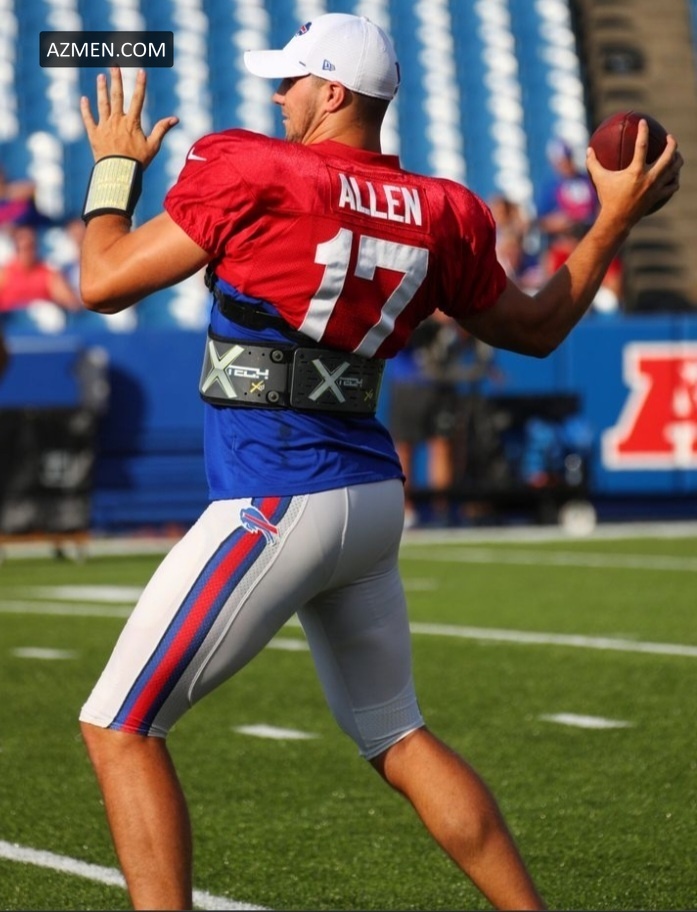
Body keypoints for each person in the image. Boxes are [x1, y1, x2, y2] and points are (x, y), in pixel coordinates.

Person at [75, 13, 681, 912]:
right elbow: (537, 327)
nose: (277, 96)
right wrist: (613, 220)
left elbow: (101, 280)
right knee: (397, 735)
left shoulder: (255, 168)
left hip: (276, 493)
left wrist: (114, 168)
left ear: (332, 92)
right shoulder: (442, 210)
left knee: (119, 726)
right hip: (366, 495)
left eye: (291, 80)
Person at [0, 224, 81, 316]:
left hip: (41, 320)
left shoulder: (48, 273)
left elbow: (69, 300)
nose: (27, 252)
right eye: (23, 248)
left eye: (31, 247)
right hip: (11, 319)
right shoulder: (4, 272)